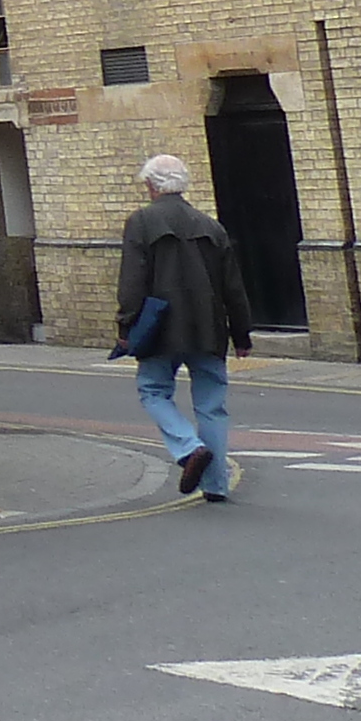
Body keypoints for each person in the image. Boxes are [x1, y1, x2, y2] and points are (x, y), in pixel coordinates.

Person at [117, 153, 259, 501]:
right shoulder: (211, 225)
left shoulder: (141, 222)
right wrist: (242, 334)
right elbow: (233, 286)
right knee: (211, 407)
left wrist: (125, 323)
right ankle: (215, 485)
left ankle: (188, 447)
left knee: (153, 391)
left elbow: (132, 280)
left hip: (159, 328)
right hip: (210, 328)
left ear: (151, 185)